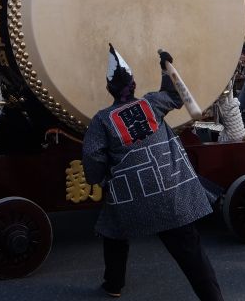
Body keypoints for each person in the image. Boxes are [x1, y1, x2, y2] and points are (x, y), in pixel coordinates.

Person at [82, 45, 223, 300]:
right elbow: (175, 95)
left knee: (113, 228)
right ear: (134, 84)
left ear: (109, 89)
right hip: (169, 190)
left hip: (130, 194)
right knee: (190, 251)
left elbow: (92, 155)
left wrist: (99, 179)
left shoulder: (102, 119)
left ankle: (113, 283)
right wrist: (165, 68)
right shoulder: (151, 103)